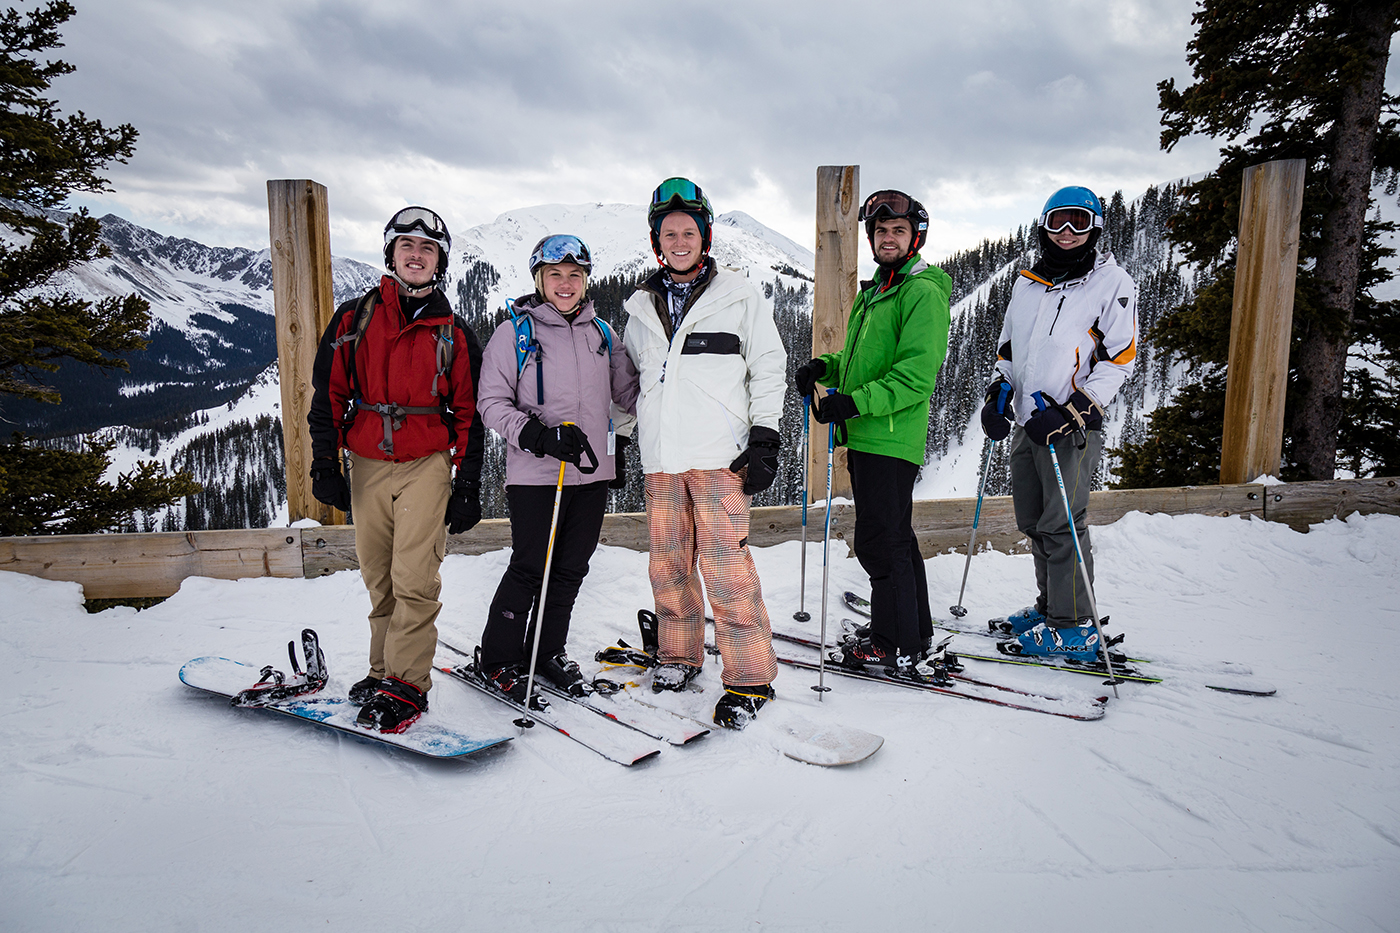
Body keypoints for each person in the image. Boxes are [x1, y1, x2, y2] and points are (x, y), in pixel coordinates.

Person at [307, 206, 485, 733]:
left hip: (425, 465)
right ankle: (382, 670)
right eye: (406, 245)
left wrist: (467, 484)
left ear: (439, 262)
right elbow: (328, 396)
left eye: (428, 248)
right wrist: (325, 464)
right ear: (391, 254)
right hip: (366, 463)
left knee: (415, 578)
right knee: (378, 575)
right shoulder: (354, 320)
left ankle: (406, 684)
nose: (416, 254)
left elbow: (470, 414)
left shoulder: (454, 332)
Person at [622, 177, 787, 729]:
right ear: (657, 242)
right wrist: (623, 437)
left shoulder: (738, 295)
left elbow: (768, 366)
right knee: (668, 565)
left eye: (688, 232)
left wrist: (765, 435)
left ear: (704, 237)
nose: (679, 241)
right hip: (662, 461)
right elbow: (632, 383)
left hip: (720, 458)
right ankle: (678, 654)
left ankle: (750, 676)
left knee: (726, 568)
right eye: (669, 233)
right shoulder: (641, 308)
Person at [473, 234, 640, 706]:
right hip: (536, 475)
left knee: (570, 570)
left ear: (585, 281)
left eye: (574, 275)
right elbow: (491, 403)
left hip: (591, 473)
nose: (565, 284)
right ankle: (499, 658)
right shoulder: (515, 334)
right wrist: (538, 436)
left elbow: (631, 396)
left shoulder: (602, 335)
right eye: (555, 275)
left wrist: (624, 442)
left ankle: (546, 651)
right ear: (539, 280)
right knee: (530, 568)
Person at [796, 189, 952, 678]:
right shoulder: (877, 291)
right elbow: (861, 362)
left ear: (914, 237)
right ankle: (912, 631)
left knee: (880, 543)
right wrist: (825, 367)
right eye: (881, 231)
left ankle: (892, 643)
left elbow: (915, 376)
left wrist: (854, 402)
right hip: (869, 436)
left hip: (890, 436)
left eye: (898, 231)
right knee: (896, 539)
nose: (888, 238)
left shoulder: (920, 292)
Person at [979, 186, 1137, 662]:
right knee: (1033, 520)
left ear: (1096, 229)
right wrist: (999, 392)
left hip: (1069, 428)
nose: (1067, 232)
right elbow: (1010, 349)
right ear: (1043, 227)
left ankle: (1073, 625)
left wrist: (1072, 412)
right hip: (1029, 423)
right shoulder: (1027, 284)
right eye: (1058, 222)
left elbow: (1120, 359)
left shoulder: (1112, 283)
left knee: (1063, 523)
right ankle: (1051, 609)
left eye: (1079, 222)